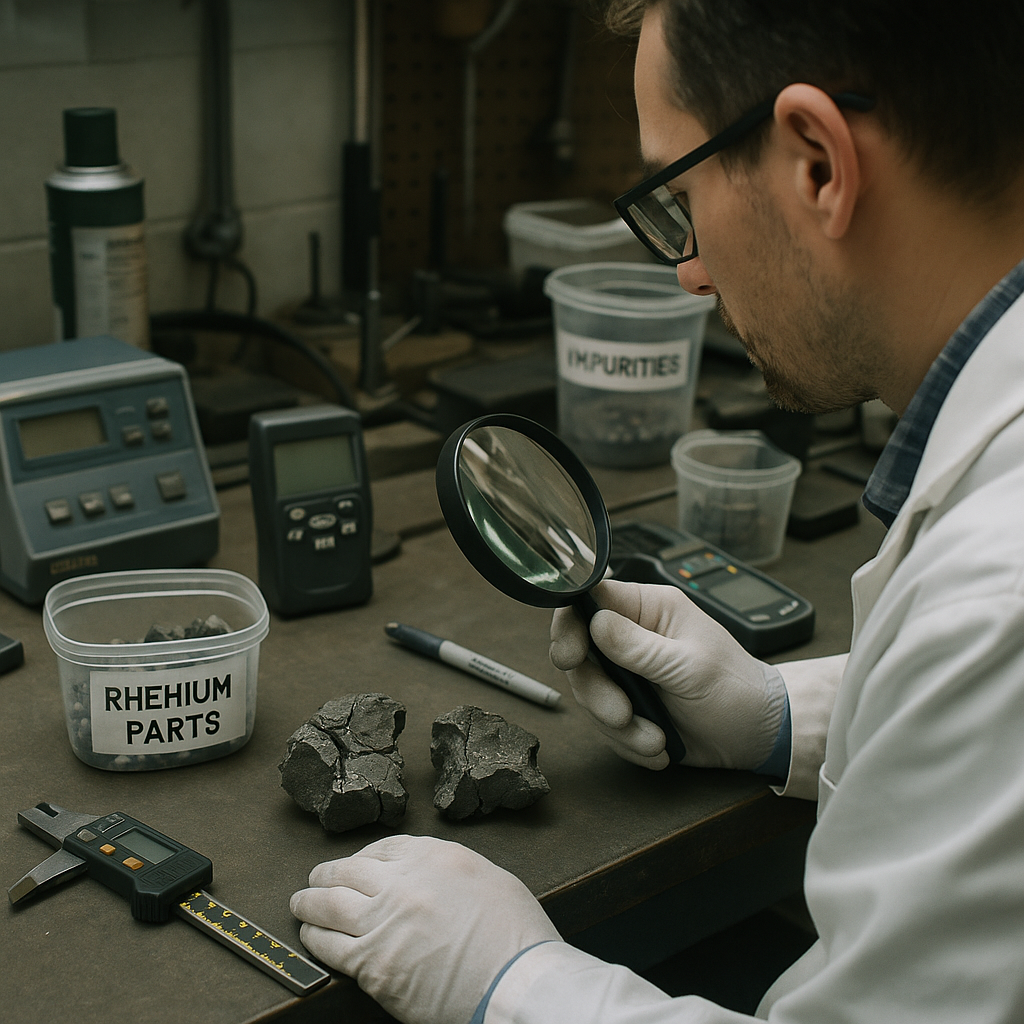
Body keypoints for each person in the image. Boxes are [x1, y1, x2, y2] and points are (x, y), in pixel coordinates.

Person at [288, 0, 1024, 1019]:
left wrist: (510, 983)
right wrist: (778, 719)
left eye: (679, 198)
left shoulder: (996, 594)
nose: (686, 270)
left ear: (817, 161)